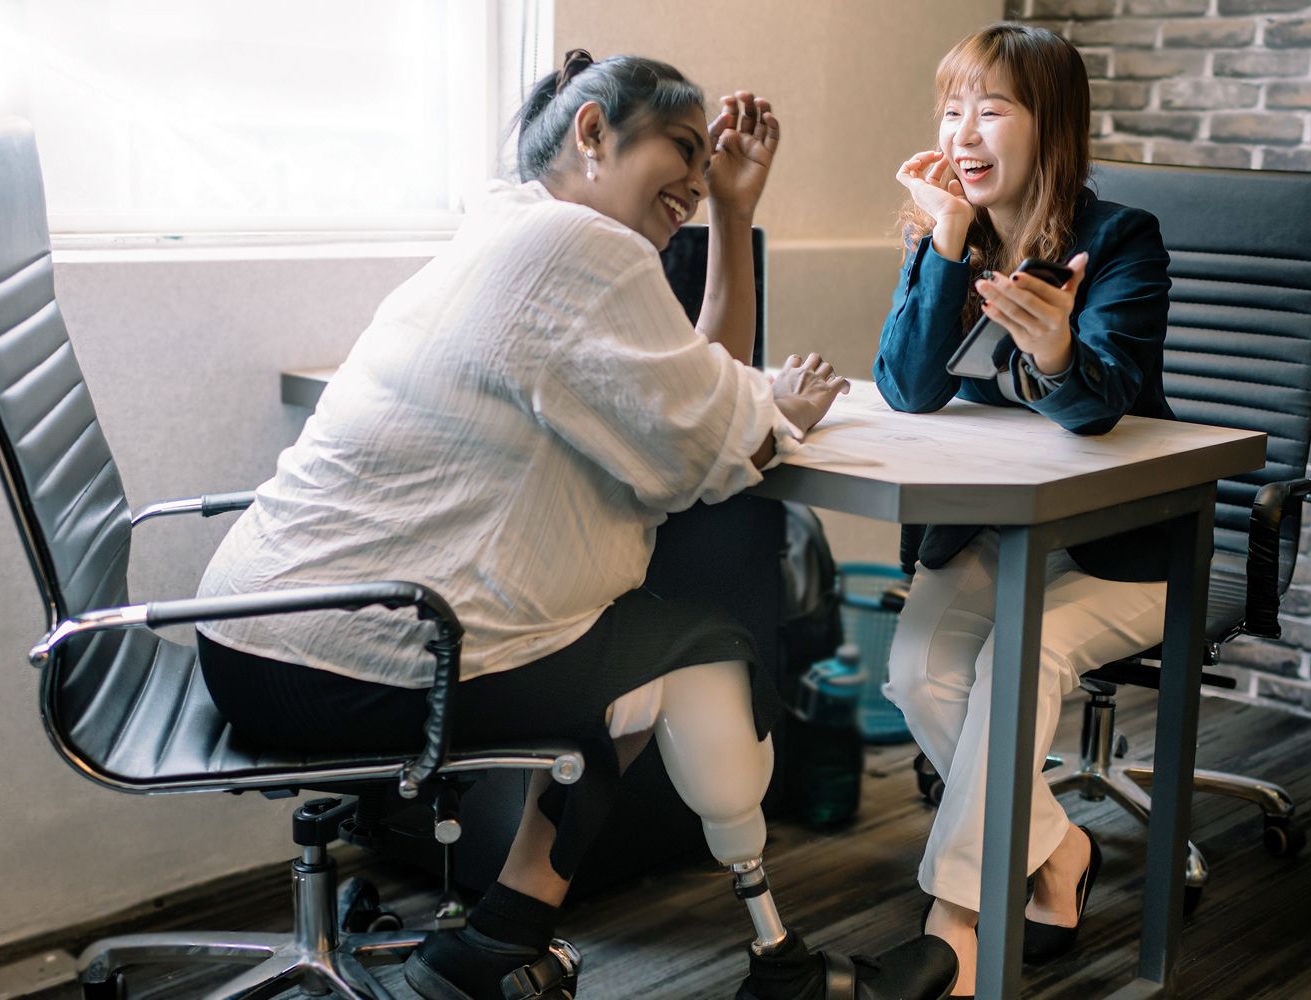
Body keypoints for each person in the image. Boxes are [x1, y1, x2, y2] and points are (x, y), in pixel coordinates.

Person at [196, 50, 955, 1000]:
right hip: (341, 656)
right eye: (680, 149)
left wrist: (729, 213)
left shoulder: (510, 229)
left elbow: (693, 384)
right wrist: (777, 413)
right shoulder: (579, 249)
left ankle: (498, 943)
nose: (693, 175)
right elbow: (708, 444)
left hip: (261, 638)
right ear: (592, 132)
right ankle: (779, 970)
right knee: (688, 644)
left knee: (620, 640)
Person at [871, 22, 1174, 998]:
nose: (963, 132)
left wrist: (1055, 361)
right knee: (917, 671)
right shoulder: (946, 236)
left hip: (1127, 544)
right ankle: (1059, 849)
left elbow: (1105, 404)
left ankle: (955, 925)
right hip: (999, 531)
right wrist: (947, 240)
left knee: (1018, 657)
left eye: (991, 108)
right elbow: (908, 388)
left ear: (1052, 127)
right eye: (951, 108)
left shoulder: (1120, 240)